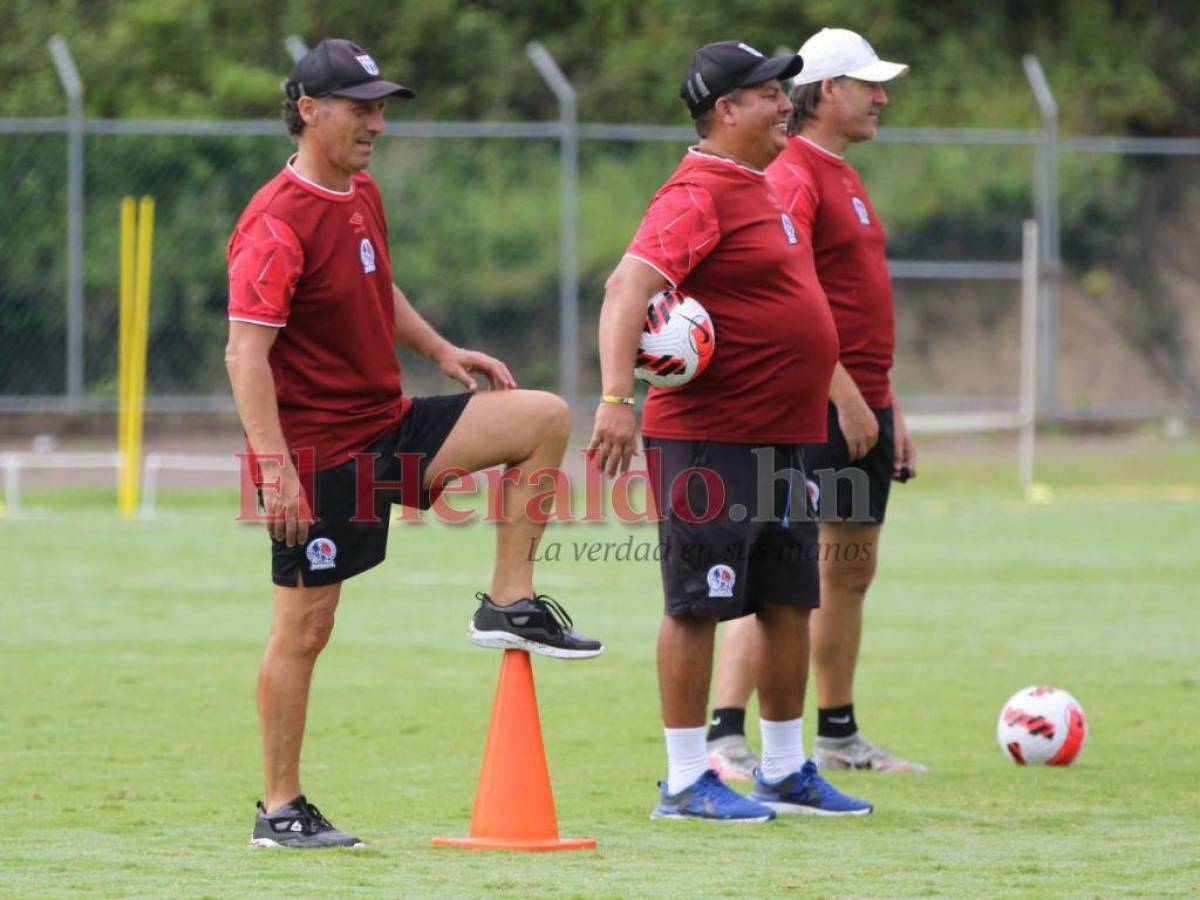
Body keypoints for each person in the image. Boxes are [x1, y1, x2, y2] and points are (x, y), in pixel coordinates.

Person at [225, 38, 602, 849]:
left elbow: (375, 283)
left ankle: (509, 604)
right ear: (308, 111)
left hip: (388, 424)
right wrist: (274, 470)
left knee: (540, 417)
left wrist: (441, 351)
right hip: (322, 457)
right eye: (361, 108)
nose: (378, 123)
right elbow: (244, 354)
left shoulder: (358, 193)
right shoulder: (273, 222)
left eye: (381, 106)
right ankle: (280, 809)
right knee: (305, 631)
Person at [591, 40, 873, 821]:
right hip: (712, 440)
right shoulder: (697, 192)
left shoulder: (760, 186)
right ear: (728, 109)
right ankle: (686, 780)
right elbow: (626, 290)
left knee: (787, 601)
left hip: (781, 439)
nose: (788, 102)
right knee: (697, 605)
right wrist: (618, 397)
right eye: (770, 93)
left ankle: (784, 768)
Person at [705, 28, 926, 779]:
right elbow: (787, 298)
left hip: (866, 401)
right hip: (820, 401)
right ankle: (724, 732)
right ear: (827, 91)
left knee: (849, 569)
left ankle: (837, 733)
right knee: (780, 571)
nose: (882, 97)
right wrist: (848, 398)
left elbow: (859, 301)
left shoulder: (844, 174)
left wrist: (889, 405)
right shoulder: (792, 172)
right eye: (868, 84)